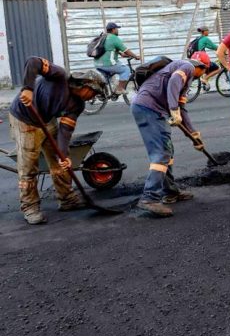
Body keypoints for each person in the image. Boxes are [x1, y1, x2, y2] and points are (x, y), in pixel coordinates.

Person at [8, 57, 105, 224]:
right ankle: (30, 207)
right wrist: (27, 89)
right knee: (28, 167)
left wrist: (64, 155)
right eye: (94, 93)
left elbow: (65, 130)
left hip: (46, 120)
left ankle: (67, 199)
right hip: (25, 118)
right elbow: (33, 62)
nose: (93, 97)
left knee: (59, 161)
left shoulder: (77, 105)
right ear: (86, 85)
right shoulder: (59, 76)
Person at [131, 57, 209, 217]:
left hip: (152, 109)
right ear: (200, 66)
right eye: (203, 71)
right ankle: (149, 198)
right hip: (148, 108)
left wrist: (194, 136)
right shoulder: (187, 67)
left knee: (168, 151)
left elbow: (182, 109)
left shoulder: (182, 76)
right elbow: (174, 82)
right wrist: (173, 109)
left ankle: (170, 192)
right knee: (161, 153)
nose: (200, 76)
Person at [94, 22, 140, 94]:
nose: (117, 30)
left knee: (107, 79)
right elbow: (126, 50)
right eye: (116, 29)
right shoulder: (114, 38)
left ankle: (100, 93)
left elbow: (108, 48)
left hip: (97, 64)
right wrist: (135, 56)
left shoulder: (103, 37)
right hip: (108, 64)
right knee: (125, 69)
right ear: (113, 29)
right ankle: (119, 89)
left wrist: (120, 53)